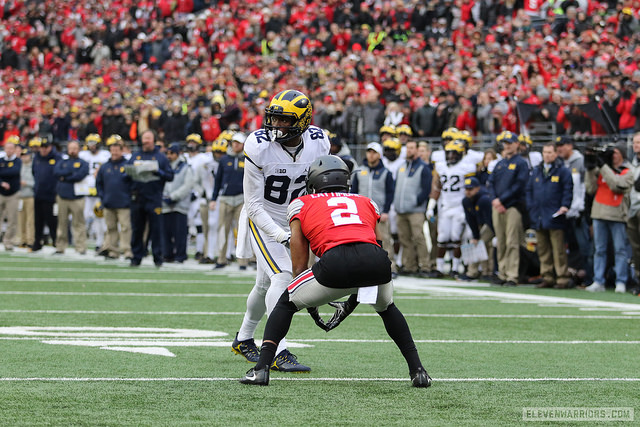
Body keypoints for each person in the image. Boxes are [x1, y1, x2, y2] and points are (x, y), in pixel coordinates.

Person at [239, 155, 431, 388]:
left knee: (285, 303)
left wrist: (310, 303)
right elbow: (376, 248)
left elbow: (299, 266)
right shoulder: (366, 202)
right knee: (387, 309)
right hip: (376, 263)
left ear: (313, 182)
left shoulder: (301, 204)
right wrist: (350, 303)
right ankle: (418, 371)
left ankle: (261, 369)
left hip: (337, 261)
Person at [231, 89, 330, 373]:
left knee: (264, 284)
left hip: (296, 217)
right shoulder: (258, 145)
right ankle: (277, 349)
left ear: (303, 122)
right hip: (262, 218)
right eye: (273, 119)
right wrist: (280, 234)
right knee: (283, 276)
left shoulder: (319, 141)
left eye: (285, 121)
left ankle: (243, 337)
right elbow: (252, 204)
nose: (277, 126)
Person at [584, 143, 633, 293]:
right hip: (599, 212)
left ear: (622, 155)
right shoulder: (601, 170)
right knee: (599, 249)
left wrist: (603, 166)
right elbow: (590, 188)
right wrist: (590, 168)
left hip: (617, 214)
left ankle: (621, 280)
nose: (613, 156)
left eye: (616, 153)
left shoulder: (628, 171)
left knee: (620, 250)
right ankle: (598, 280)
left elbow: (616, 185)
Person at [526, 143, 573, 289]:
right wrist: (531, 208)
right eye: (544, 152)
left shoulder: (562, 171)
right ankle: (547, 276)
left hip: (555, 215)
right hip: (539, 215)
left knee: (558, 249)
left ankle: (562, 277)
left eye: (549, 152)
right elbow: (529, 190)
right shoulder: (537, 171)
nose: (547, 155)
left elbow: (568, 189)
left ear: (555, 154)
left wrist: (565, 205)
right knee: (543, 249)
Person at [427, 139, 477, 277]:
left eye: (454, 154)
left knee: (457, 237)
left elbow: (472, 188)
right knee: (442, 237)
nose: (451, 157)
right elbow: (436, 188)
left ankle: (456, 267)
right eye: (448, 153)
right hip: (445, 207)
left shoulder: (467, 167)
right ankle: (440, 267)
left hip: (460, 207)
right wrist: (431, 207)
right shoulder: (441, 167)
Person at [487, 131, 529, 286]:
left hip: (512, 206)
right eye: (506, 143)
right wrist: (494, 200)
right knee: (501, 241)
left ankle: (512, 274)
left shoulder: (521, 163)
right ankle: (502, 272)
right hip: (498, 207)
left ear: (517, 144)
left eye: (510, 143)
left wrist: (501, 200)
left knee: (512, 241)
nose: (508, 145)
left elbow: (519, 186)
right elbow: (490, 183)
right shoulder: (500, 163)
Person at [127, 129, 174, 267]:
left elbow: (170, 176)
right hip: (137, 197)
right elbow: (126, 175)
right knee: (137, 229)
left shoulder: (161, 157)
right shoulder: (135, 156)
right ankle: (136, 257)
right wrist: (130, 173)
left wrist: (157, 171)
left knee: (156, 229)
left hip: (154, 197)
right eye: (144, 138)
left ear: (153, 140)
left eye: (149, 138)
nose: (146, 141)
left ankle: (158, 257)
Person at [351, 142, 396, 275]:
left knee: (385, 240)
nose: (371, 155)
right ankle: (361, 266)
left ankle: (390, 266)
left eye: (374, 152)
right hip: (362, 213)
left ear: (379, 155)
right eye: (369, 152)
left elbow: (390, 193)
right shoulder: (359, 171)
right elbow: (354, 192)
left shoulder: (386, 172)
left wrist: (386, 210)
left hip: (379, 213)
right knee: (360, 241)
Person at [555, 135, 592, 286]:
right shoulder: (559, 163)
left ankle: (590, 278)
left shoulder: (580, 161)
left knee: (584, 247)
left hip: (578, 211)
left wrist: (580, 209)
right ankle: (571, 275)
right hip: (565, 211)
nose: (559, 149)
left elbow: (584, 188)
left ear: (570, 146)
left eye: (562, 145)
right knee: (567, 247)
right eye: (558, 146)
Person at [394, 140, 432, 276]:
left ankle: (425, 266)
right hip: (401, 210)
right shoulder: (402, 166)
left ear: (417, 150)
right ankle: (410, 266)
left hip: (415, 210)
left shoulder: (423, 167)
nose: (408, 150)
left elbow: (426, 189)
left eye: (411, 148)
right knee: (404, 239)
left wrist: (416, 201)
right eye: (407, 148)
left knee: (418, 238)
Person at [211, 131, 247, 269]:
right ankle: (221, 259)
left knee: (241, 232)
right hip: (226, 198)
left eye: (238, 143)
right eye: (233, 142)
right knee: (223, 231)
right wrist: (214, 198)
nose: (235, 145)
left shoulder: (247, 159)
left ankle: (242, 261)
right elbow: (218, 180)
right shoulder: (224, 160)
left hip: (241, 198)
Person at [95, 137, 132, 260]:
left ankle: (127, 250)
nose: (114, 153)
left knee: (126, 227)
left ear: (122, 151)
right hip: (108, 202)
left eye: (117, 150)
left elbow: (133, 182)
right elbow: (99, 183)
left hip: (124, 202)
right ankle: (113, 251)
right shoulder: (105, 166)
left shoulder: (127, 165)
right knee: (111, 228)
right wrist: (102, 196)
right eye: (113, 150)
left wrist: (129, 196)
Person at [53, 141, 90, 254]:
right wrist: (70, 173)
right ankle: (60, 246)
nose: (72, 150)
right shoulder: (62, 162)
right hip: (62, 196)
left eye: (75, 148)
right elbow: (56, 172)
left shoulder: (83, 163)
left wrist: (65, 176)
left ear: (79, 149)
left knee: (78, 223)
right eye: (71, 148)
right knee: (61, 223)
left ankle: (80, 247)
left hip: (77, 198)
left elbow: (79, 175)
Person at [161, 143, 195, 263]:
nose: (169, 156)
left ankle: (180, 255)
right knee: (166, 232)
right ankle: (167, 254)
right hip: (165, 204)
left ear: (177, 153)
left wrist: (174, 196)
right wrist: (164, 196)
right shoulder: (163, 166)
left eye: (171, 153)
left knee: (180, 232)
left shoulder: (186, 167)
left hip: (180, 204)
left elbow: (188, 185)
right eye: (167, 153)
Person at [79, 133, 110, 252]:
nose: (92, 146)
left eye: (94, 144)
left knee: (99, 217)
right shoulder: (83, 155)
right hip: (85, 191)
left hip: (99, 190)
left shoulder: (104, 155)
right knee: (85, 216)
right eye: (90, 144)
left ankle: (100, 242)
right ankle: (82, 242)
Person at [31, 137, 62, 252]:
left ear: (50, 147)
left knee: (52, 220)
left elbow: (58, 174)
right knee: (38, 220)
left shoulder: (57, 158)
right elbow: (34, 172)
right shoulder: (37, 158)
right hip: (38, 193)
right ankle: (37, 242)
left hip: (51, 194)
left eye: (46, 147)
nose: (43, 150)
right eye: (42, 147)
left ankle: (55, 241)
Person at [462, 177, 495, 281]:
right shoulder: (466, 201)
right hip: (480, 224)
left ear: (477, 188)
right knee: (477, 243)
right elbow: (470, 220)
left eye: (470, 189)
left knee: (482, 243)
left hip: (491, 224)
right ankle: (482, 271)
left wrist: (496, 233)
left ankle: (480, 272)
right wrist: (475, 235)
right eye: (466, 189)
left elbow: (490, 220)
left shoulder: (484, 199)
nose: (468, 192)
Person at [0, 140, 21, 250]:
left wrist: (3, 173)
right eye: (7, 148)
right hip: (1, 193)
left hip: (13, 193)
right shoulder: (1, 160)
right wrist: (1, 182)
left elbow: (14, 172)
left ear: (14, 150)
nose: (9, 150)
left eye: (11, 148)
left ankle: (8, 242)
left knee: (12, 219)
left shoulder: (18, 161)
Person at [16, 146, 35, 248]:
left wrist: (26, 183)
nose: (24, 157)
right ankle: (21, 240)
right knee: (20, 220)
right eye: (22, 155)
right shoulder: (19, 166)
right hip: (20, 196)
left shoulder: (33, 166)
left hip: (30, 195)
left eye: (26, 155)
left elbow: (36, 182)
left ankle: (30, 240)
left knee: (30, 220)